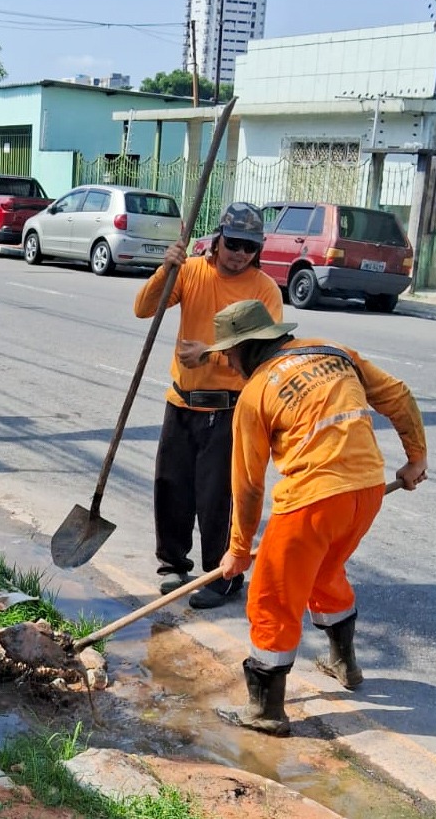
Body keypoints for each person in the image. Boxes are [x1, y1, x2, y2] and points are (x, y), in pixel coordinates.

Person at [206, 300, 428, 735]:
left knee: (271, 599)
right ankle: (344, 663)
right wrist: (415, 459)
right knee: (325, 572)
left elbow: (248, 487)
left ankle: (265, 712)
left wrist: (237, 551)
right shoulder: (334, 351)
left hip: (313, 501)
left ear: (249, 346)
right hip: (365, 493)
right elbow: (397, 394)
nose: (229, 365)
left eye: (230, 354)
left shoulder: (255, 393)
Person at [133, 203, 283, 610]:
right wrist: (167, 269)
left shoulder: (263, 288)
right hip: (181, 402)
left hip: (230, 408)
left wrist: (210, 357)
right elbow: (144, 308)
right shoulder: (193, 270)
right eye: (232, 243)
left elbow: (260, 353)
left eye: (249, 247)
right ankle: (172, 566)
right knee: (171, 487)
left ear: (258, 249)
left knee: (218, 498)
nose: (239, 254)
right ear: (217, 238)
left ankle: (224, 576)